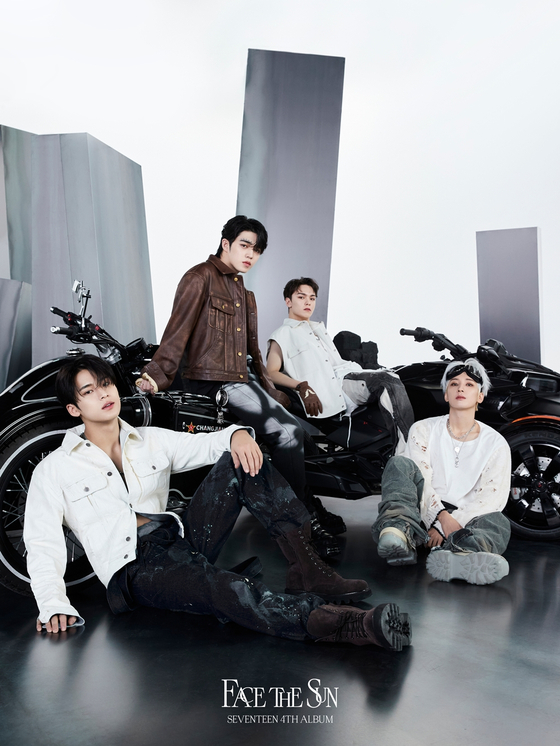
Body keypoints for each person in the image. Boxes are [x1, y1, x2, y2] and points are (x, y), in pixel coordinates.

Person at [23, 355, 412, 650]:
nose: (103, 394)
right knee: (224, 587)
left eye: (105, 384)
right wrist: (52, 603)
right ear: (74, 409)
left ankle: (306, 568)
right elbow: (42, 543)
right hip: (135, 570)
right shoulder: (54, 469)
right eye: (89, 391)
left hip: (180, 541)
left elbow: (208, 443)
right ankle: (343, 624)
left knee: (239, 460)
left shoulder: (149, 439)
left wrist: (237, 434)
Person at [371, 358, 512, 585]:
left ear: (480, 396)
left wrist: (448, 524)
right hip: (418, 512)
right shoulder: (423, 429)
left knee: (498, 521)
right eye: (454, 384)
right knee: (399, 463)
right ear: (446, 394)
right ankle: (399, 534)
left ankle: (464, 554)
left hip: (463, 523)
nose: (460, 389)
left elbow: (490, 498)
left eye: (469, 384)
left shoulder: (496, 443)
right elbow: (422, 478)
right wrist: (440, 518)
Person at [266, 278, 414, 447]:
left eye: (312, 298)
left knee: (406, 378)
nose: (308, 302)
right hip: (338, 386)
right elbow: (271, 372)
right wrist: (301, 386)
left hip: (349, 374)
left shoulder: (318, 330)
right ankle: (407, 450)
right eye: (301, 297)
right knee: (387, 382)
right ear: (288, 301)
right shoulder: (282, 334)